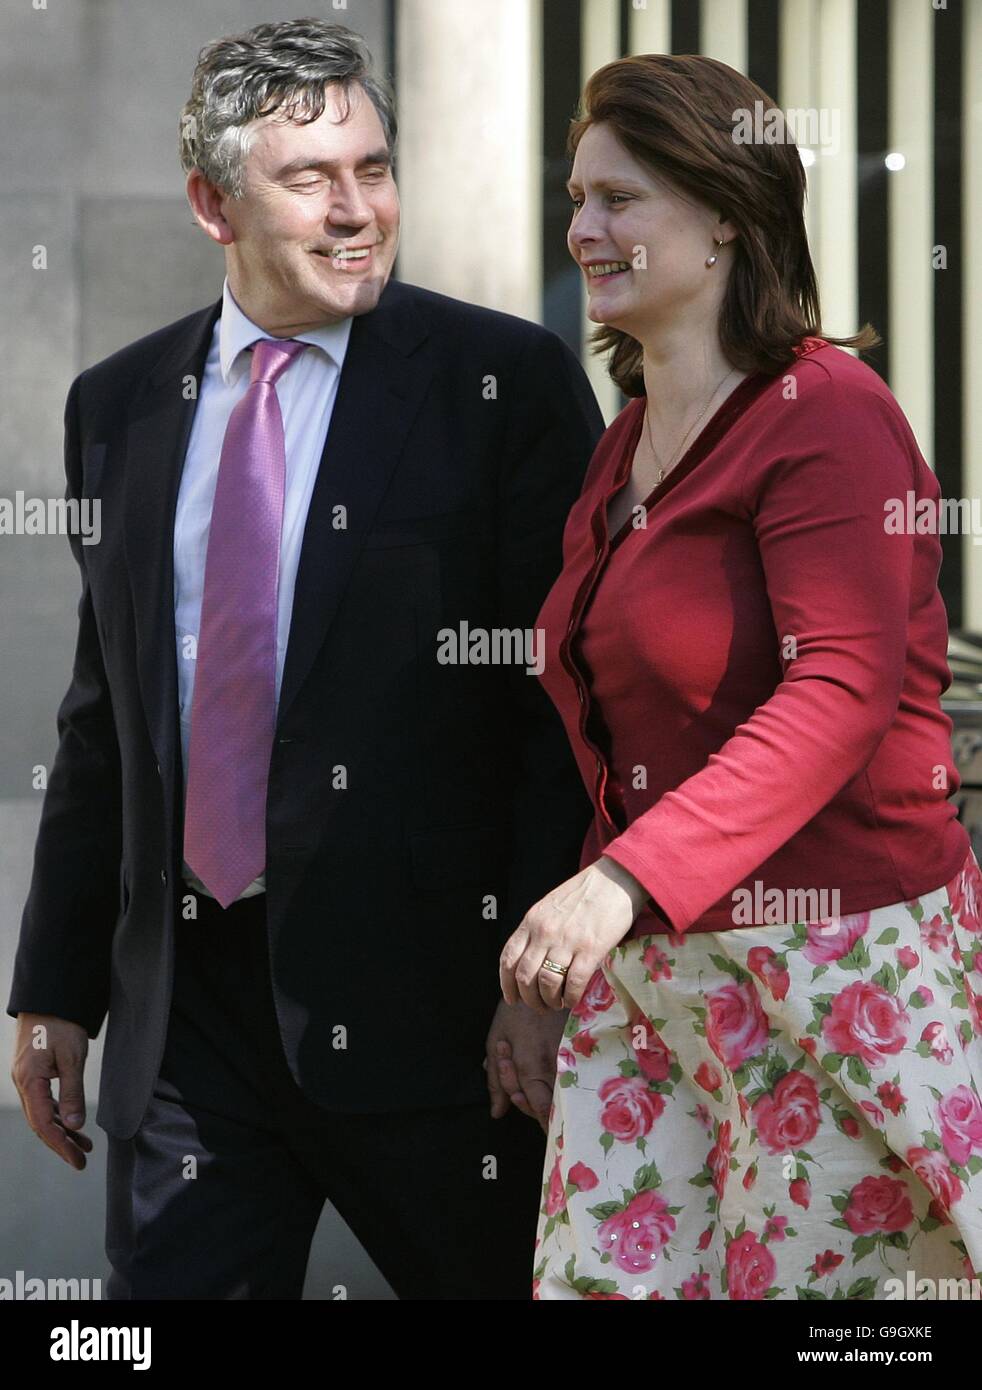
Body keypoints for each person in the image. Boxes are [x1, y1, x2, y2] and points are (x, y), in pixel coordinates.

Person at [7, 19, 601, 1300]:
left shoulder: (505, 385)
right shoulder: (113, 406)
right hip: (190, 1027)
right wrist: (56, 985)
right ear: (212, 203)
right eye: (310, 178)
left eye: (374, 170)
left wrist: (541, 984)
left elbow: (559, 712)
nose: (356, 212)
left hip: (445, 1021)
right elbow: (106, 717)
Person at [500, 53, 982, 1301]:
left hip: (835, 975)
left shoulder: (826, 412)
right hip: (661, 985)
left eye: (619, 198)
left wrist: (616, 884)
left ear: (724, 210)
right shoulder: (624, 444)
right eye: (575, 196)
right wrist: (576, 949)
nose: (581, 229)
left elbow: (840, 691)